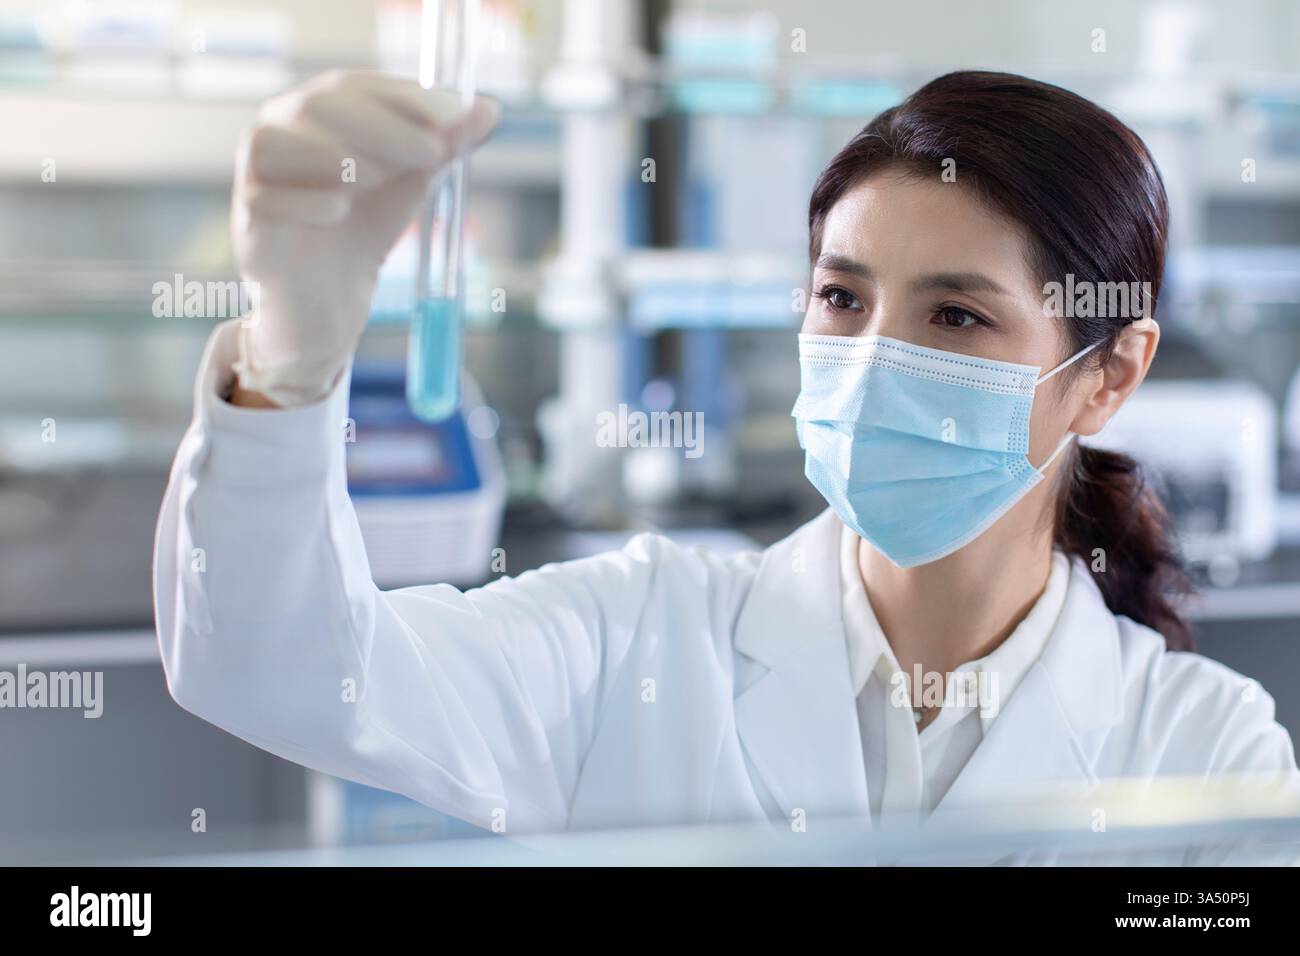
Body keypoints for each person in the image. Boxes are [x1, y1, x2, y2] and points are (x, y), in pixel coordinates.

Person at [154, 70, 1300, 864]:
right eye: (842, 296)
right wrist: (292, 354)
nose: (866, 361)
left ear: (1107, 374)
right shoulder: (639, 638)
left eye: (955, 317)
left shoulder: (1199, 753)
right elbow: (279, 671)